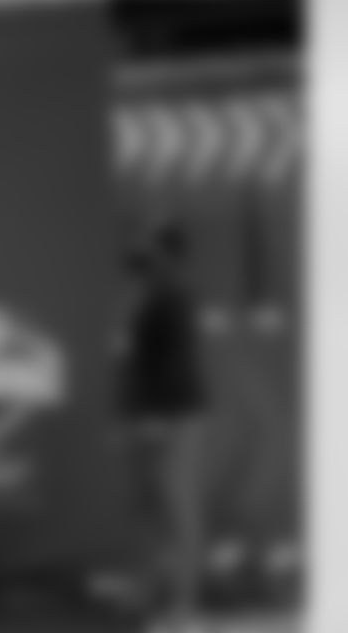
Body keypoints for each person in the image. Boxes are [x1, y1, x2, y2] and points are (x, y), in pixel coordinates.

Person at [118, 219, 208, 633]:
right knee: (150, 508)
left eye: (152, 248)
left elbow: (175, 364)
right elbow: (143, 361)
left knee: (174, 510)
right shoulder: (156, 292)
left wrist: (156, 416)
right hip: (156, 416)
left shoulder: (171, 293)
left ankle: (182, 609)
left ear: (166, 252)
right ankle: (149, 595)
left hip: (172, 418)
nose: (145, 255)